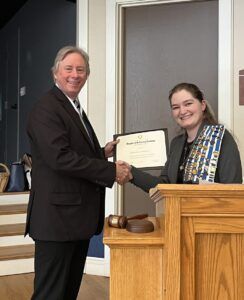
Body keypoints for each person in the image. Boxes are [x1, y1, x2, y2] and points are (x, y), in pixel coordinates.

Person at [25, 45, 131, 300]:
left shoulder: (73, 106)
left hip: (73, 220)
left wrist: (102, 152)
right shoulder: (46, 108)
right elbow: (59, 158)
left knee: (67, 292)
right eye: (68, 69)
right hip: (57, 221)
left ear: (86, 75)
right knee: (50, 294)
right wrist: (109, 170)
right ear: (55, 74)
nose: (75, 74)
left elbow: (71, 149)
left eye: (80, 69)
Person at [122, 82, 242, 193]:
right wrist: (131, 173)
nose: (182, 111)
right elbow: (164, 186)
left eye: (188, 104)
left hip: (211, 214)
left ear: (203, 105)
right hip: (177, 213)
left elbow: (233, 190)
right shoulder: (177, 144)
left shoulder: (221, 137)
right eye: (176, 107)